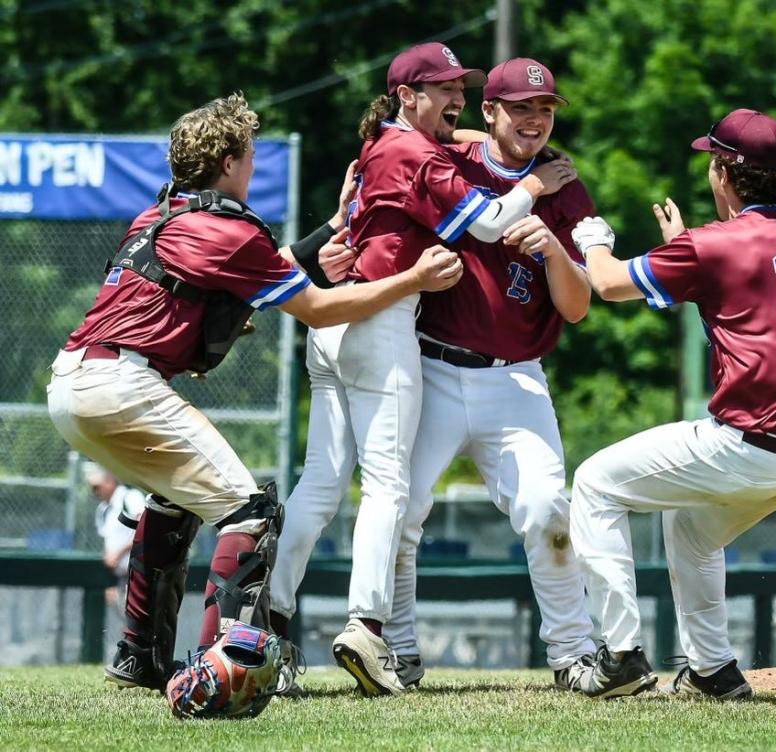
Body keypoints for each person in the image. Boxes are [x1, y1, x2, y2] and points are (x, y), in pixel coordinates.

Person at [47, 92, 463, 696]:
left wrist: (335, 220)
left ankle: (140, 654)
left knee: (175, 498)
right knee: (251, 511)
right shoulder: (227, 229)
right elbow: (316, 308)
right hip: (121, 383)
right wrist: (414, 279)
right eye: (250, 155)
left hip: (74, 382)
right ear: (228, 162)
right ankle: (227, 667)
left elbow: (245, 281)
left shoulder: (160, 216)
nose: (254, 165)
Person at [268, 43, 576, 697]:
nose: (456, 99)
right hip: (382, 323)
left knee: (320, 487)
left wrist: (486, 131)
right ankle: (367, 628)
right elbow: (491, 225)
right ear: (407, 95)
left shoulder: (381, 141)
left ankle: (267, 627)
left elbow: (448, 139)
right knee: (388, 489)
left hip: (333, 325)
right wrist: (531, 185)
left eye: (461, 89)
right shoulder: (416, 153)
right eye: (442, 90)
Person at [567, 109, 776, 699]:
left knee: (594, 484)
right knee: (693, 530)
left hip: (749, 446)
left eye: (712, 161)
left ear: (724, 172)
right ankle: (713, 671)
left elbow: (609, 284)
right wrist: (688, 252)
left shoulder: (713, 245)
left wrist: (592, 239)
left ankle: (620, 656)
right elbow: (744, 312)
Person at [382, 57, 597, 692]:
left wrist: (554, 247)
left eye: (546, 108)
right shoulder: (455, 163)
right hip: (431, 367)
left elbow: (578, 307)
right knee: (402, 509)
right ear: (489, 111)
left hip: (516, 379)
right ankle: (397, 649)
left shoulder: (566, 185)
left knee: (546, 511)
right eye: (521, 107)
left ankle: (573, 654)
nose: (535, 119)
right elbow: (405, 143)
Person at [86, 463, 146, 611]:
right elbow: (108, 548)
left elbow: (144, 531)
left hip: (141, 577)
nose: (95, 492)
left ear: (110, 481)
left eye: (97, 487)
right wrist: (110, 582)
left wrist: (120, 553)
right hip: (120, 580)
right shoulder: (103, 509)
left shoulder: (130, 497)